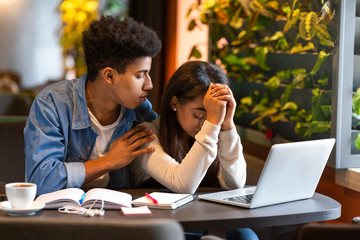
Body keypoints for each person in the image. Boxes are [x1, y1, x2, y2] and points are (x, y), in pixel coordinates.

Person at [24, 16, 161, 196]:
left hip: (119, 217)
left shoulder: (140, 110)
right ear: (109, 76)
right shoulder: (52, 104)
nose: (149, 85)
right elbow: (41, 181)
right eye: (140, 75)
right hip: (60, 217)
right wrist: (109, 161)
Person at [129, 61, 258, 240]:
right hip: (160, 230)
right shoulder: (146, 136)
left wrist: (227, 124)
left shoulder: (213, 131)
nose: (205, 123)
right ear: (174, 103)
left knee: (245, 235)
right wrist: (213, 124)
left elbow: (235, 184)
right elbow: (184, 185)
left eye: (212, 115)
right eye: (198, 115)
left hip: (203, 222)